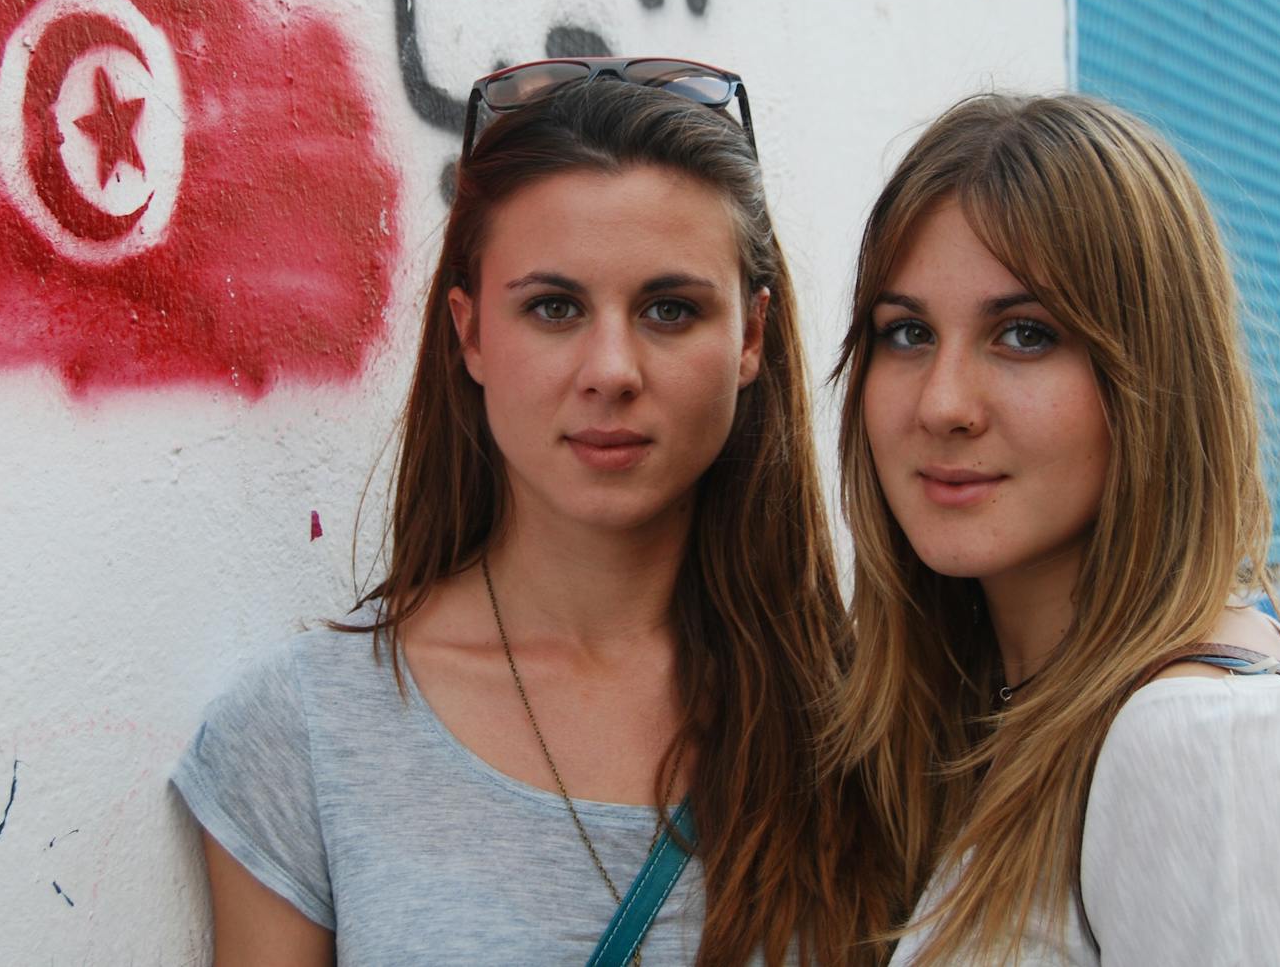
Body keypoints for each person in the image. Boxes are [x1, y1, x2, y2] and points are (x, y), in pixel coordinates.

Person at [173, 60, 870, 965]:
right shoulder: (306, 733)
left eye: (669, 308)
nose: (612, 369)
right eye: (553, 307)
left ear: (750, 337)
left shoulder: (860, 725)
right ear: (469, 333)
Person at [827, 91, 1280, 965]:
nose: (942, 402)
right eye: (908, 331)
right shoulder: (991, 700)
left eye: (1024, 334)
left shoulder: (1207, 746)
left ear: (1152, 376)